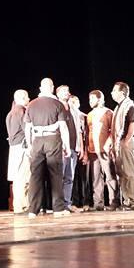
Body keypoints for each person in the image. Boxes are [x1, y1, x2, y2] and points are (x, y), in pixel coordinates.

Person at [23, 78, 72, 218]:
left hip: (37, 141)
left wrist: (29, 145)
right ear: (51, 88)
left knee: (35, 175)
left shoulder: (31, 104)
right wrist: (67, 146)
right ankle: (58, 209)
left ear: (40, 88)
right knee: (56, 174)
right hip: (53, 139)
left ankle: (33, 210)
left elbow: (27, 128)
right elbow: (63, 127)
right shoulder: (57, 104)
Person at [108, 81, 134, 210]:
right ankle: (127, 200)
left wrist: (126, 140)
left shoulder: (129, 106)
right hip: (119, 143)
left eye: (114, 90)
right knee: (121, 173)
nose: (112, 93)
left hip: (126, 142)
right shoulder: (118, 108)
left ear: (122, 92)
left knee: (129, 172)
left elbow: (132, 124)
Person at [86, 90, 117, 210]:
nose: (90, 101)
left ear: (99, 99)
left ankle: (114, 202)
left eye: (92, 99)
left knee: (110, 176)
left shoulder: (108, 113)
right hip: (93, 150)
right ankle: (98, 203)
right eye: (89, 99)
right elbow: (88, 133)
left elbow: (113, 131)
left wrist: (109, 145)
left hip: (105, 150)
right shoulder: (90, 115)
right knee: (96, 178)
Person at [56, 85, 81, 213]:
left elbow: (78, 130)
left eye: (67, 91)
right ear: (58, 94)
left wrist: (80, 147)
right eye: (63, 91)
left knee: (69, 177)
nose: (67, 93)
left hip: (73, 148)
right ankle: (59, 205)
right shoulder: (56, 107)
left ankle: (67, 203)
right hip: (60, 148)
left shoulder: (73, 109)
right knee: (59, 177)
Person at [5, 90, 30, 213]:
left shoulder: (10, 113)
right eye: (27, 97)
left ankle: (18, 205)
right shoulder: (21, 111)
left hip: (14, 147)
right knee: (24, 177)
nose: (29, 99)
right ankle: (23, 206)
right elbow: (27, 130)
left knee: (17, 177)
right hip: (22, 147)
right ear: (22, 97)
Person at [68, 95, 91, 211]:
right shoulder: (68, 117)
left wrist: (85, 152)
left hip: (83, 149)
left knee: (84, 178)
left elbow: (86, 136)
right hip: (73, 149)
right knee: (72, 177)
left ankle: (86, 202)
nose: (73, 103)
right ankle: (74, 202)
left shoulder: (84, 117)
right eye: (71, 101)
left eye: (76, 101)